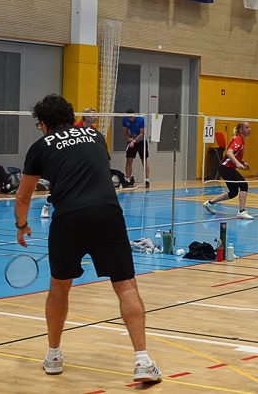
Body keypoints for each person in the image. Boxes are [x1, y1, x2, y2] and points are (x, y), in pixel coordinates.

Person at [13, 94, 161, 382]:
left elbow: (22, 196)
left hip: (68, 218)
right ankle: (142, 361)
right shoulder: (95, 136)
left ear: (44, 124)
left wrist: (22, 225)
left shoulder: (40, 146)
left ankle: (53, 356)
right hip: (107, 213)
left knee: (59, 287)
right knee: (126, 286)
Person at [42, 108, 100, 218]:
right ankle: (46, 206)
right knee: (59, 186)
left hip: (82, 163)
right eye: (94, 115)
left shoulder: (93, 129)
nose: (96, 117)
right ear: (86, 117)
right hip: (68, 161)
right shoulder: (75, 127)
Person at [203, 121, 254, 219]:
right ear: (240, 130)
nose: (249, 129)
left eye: (249, 127)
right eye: (246, 127)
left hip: (224, 168)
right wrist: (237, 163)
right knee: (244, 185)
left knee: (233, 192)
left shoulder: (240, 140)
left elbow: (234, 153)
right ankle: (241, 212)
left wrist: (242, 161)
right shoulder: (238, 140)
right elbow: (229, 153)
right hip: (226, 168)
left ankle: (209, 203)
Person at [122, 109, 150, 188]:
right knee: (129, 160)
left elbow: (141, 133)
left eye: (132, 117)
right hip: (131, 141)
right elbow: (125, 131)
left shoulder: (141, 119)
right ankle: (128, 180)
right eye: (129, 117)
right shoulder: (125, 119)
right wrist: (128, 138)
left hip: (141, 141)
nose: (131, 119)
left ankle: (146, 180)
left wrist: (134, 141)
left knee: (144, 161)